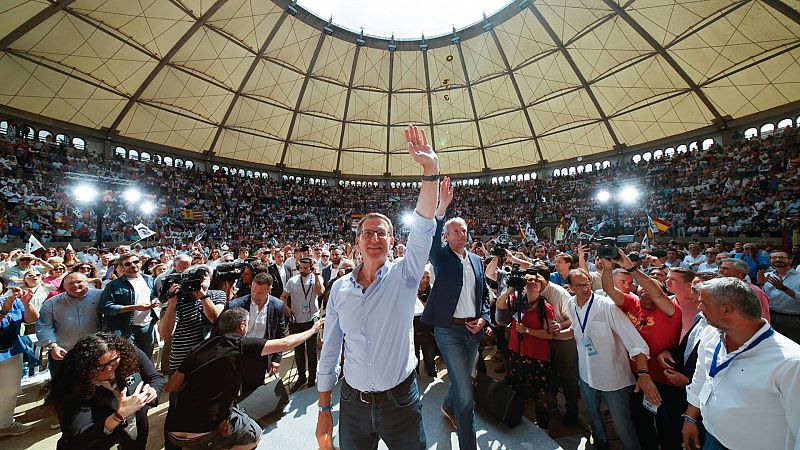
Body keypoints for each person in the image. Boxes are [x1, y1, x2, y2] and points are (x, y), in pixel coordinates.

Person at [315, 125, 439, 450]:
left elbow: (424, 226)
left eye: (382, 233)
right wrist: (324, 409)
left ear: (392, 242)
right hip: (352, 405)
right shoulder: (340, 290)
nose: (375, 238)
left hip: (400, 403)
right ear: (357, 242)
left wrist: (430, 171)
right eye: (368, 233)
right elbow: (330, 351)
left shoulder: (406, 276)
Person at [164, 307, 323, 450]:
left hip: (174, 433)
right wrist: (314, 329)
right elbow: (286, 343)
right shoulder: (239, 345)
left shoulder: (197, 348)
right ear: (242, 326)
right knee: (254, 435)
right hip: (206, 432)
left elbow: (171, 387)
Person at [682, 278, 800, 450]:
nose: (698, 309)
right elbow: (702, 377)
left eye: (703, 303)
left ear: (727, 310)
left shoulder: (790, 363)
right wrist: (690, 417)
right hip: (712, 438)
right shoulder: (711, 334)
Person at [422, 178, 490, 450]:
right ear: (446, 236)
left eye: (463, 230)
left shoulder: (476, 260)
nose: (461, 234)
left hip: (472, 331)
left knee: (463, 378)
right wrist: (442, 209)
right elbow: (429, 237)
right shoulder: (440, 257)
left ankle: (446, 406)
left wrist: (484, 317)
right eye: (455, 231)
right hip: (448, 330)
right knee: (466, 394)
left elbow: (483, 295)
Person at [567, 268, 658, 450]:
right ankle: (601, 444)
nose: (585, 288)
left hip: (614, 379)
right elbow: (576, 331)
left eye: (587, 284)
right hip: (587, 375)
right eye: (579, 285)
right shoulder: (571, 305)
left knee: (622, 426)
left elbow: (636, 343)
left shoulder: (607, 306)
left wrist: (644, 374)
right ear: (570, 287)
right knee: (593, 417)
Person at [601, 250, 683, 450]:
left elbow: (655, 292)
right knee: (642, 425)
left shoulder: (670, 311)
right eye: (643, 290)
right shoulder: (632, 304)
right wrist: (607, 267)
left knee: (668, 430)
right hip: (638, 378)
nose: (647, 294)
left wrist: (631, 268)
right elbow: (609, 289)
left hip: (665, 382)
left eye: (652, 290)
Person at [45, 332, 165, 450]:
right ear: (84, 368)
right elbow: (78, 438)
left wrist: (152, 391)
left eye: (113, 362)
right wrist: (119, 416)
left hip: (136, 431)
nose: (109, 370)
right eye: (99, 367)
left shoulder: (128, 354)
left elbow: (156, 378)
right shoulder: (73, 387)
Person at [495, 273, 554, 429]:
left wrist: (527, 330)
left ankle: (543, 424)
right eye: (528, 280)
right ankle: (516, 416)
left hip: (537, 355)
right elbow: (500, 305)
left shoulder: (545, 307)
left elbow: (549, 334)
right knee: (517, 385)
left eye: (536, 281)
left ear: (542, 286)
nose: (532, 282)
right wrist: (510, 290)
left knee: (540, 390)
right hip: (516, 350)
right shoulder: (516, 300)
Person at [227, 272, 285, 394]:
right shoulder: (236, 305)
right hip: (237, 355)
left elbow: (279, 333)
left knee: (252, 392)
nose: (254, 295)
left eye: (259, 293)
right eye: (253, 291)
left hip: (259, 357)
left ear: (269, 289)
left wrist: (276, 358)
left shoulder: (277, 306)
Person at [37, 272, 103, 375]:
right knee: (62, 386)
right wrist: (53, 346)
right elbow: (44, 326)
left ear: (87, 282)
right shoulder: (52, 303)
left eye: (79, 282)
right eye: (71, 283)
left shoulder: (101, 296)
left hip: (96, 351)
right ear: (64, 285)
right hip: (63, 352)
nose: (75, 285)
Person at [99, 253, 160, 358]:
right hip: (124, 328)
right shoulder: (113, 285)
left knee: (146, 358)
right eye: (128, 264)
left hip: (146, 326)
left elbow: (152, 294)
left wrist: (154, 300)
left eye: (136, 262)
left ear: (140, 263)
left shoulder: (149, 279)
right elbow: (105, 307)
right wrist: (134, 307)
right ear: (122, 268)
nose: (133, 265)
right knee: (127, 359)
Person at [0, 276, 38, 437]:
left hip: (11, 352)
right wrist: (4, 311)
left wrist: (27, 303)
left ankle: (5, 424)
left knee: (10, 390)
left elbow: (32, 319)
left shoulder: (11, 300)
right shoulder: (7, 305)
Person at [281, 257, 324, 391]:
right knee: (298, 352)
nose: (303, 270)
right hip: (296, 321)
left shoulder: (317, 279)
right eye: (301, 268)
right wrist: (286, 308)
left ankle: (312, 379)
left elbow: (320, 292)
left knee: (311, 352)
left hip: (312, 320)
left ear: (311, 268)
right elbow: (283, 297)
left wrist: (317, 275)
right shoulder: (292, 281)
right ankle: (301, 378)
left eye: (306, 268)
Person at [760, 250, 800, 343]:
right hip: (770, 317)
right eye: (774, 258)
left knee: (794, 346)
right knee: (773, 345)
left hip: (793, 320)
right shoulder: (766, 276)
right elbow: (762, 298)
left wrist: (784, 288)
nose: (777, 259)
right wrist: (760, 284)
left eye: (781, 257)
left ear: (790, 260)